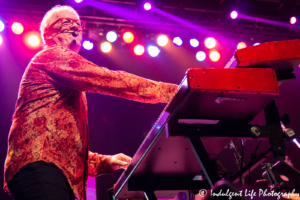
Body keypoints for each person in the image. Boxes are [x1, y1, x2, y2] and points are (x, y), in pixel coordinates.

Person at [3, 5, 178, 200]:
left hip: (47, 169)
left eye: (78, 23)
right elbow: (110, 80)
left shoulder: (63, 74)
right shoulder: (51, 56)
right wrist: (173, 92)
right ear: (49, 32)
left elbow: (65, 150)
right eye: (66, 22)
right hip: (39, 166)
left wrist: (105, 161)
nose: (75, 27)